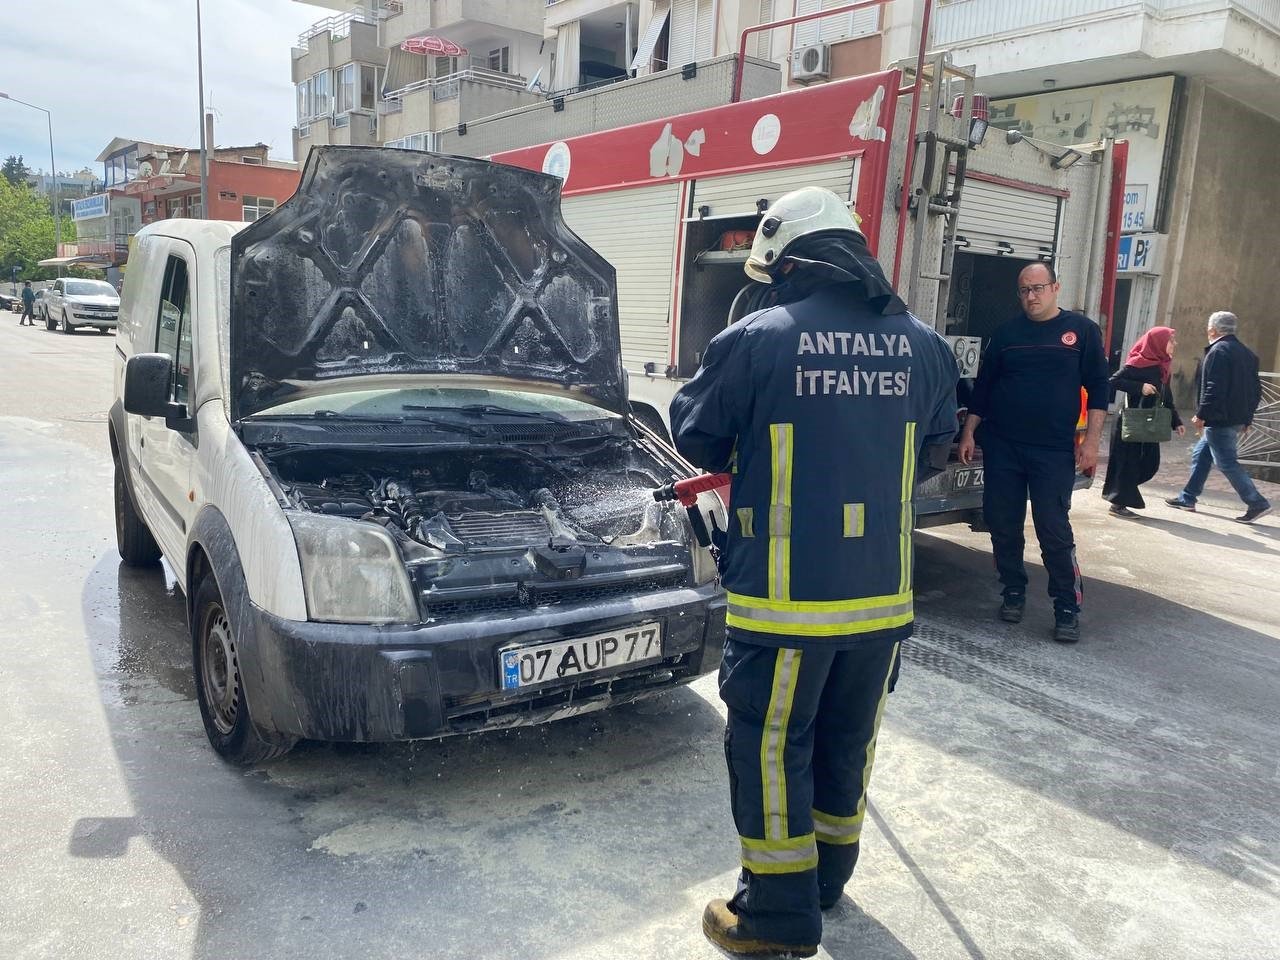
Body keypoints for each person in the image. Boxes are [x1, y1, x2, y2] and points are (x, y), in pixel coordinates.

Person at [670, 187, 959, 957]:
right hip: (883, 598)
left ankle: (774, 915)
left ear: (789, 260)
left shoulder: (757, 339)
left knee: (769, 746)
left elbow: (696, 436)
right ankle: (828, 881)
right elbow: (935, 451)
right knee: (848, 740)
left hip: (787, 604)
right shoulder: (926, 346)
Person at [956, 263, 1109, 644]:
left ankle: (1066, 608)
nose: (1030, 297)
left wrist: (1091, 443)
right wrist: (969, 432)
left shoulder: (1082, 332)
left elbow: (1100, 391)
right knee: (1002, 525)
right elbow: (984, 389)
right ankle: (1013, 590)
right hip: (1004, 446)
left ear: (1055, 287)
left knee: (1053, 530)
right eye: (1024, 290)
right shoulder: (1007, 334)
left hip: (1053, 451)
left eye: (1038, 288)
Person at [1165, 311, 1271, 524]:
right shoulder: (1247, 353)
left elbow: (1214, 388)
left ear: (1213, 330)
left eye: (1208, 329)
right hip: (1235, 416)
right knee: (1201, 454)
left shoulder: (1218, 351)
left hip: (1219, 418)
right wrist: (1247, 418)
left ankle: (1256, 502)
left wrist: (1201, 414)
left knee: (1226, 462)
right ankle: (1188, 497)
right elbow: (1255, 390)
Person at [1102, 326, 1185, 517]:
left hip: (1150, 423)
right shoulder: (1137, 363)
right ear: (1158, 342)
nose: (1175, 344)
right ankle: (1118, 502)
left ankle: (1122, 491)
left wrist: (1176, 421)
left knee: (1150, 463)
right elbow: (1112, 382)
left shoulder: (1163, 366)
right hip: (1130, 421)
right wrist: (1140, 387)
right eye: (1171, 340)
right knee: (1127, 462)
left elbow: (1167, 396)